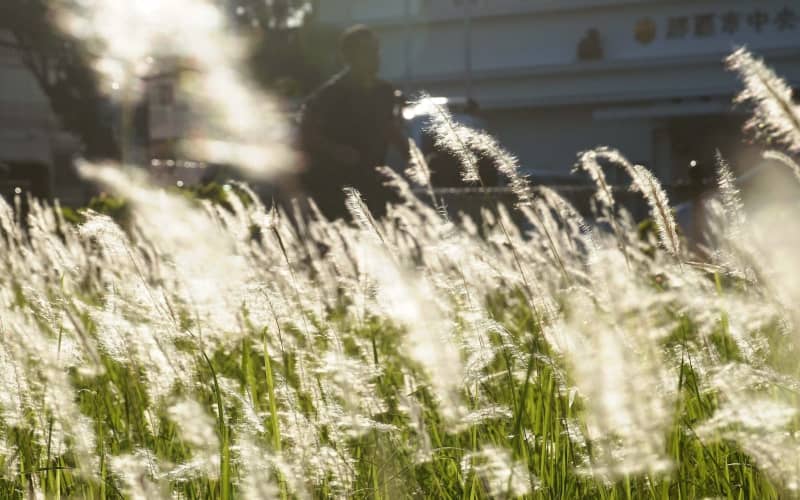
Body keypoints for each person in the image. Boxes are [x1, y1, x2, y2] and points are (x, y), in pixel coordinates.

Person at [298, 24, 407, 220]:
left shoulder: (384, 92)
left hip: (372, 181)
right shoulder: (331, 93)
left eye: (376, 50)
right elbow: (306, 132)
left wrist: (412, 157)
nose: (376, 57)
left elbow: (388, 127)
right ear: (350, 57)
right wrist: (335, 150)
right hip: (336, 187)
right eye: (368, 52)